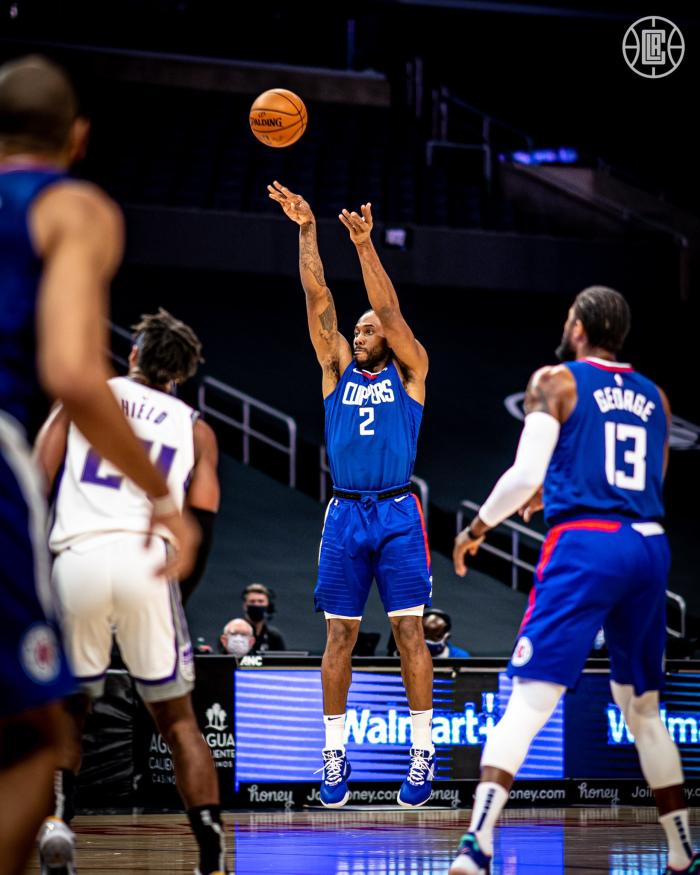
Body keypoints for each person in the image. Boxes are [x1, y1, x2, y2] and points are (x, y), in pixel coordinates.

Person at [0, 55, 198, 875]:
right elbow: (72, 376)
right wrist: (162, 497)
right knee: (39, 732)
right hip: (112, 544)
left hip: (80, 555)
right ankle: (210, 847)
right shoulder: (72, 207)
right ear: (77, 138)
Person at [449, 286, 698, 875]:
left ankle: (477, 843)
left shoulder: (556, 380)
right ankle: (682, 850)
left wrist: (476, 529)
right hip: (648, 544)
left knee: (529, 697)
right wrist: (559, 486)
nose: (565, 327)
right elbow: (645, 481)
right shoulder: (655, 397)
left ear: (580, 327)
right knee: (643, 709)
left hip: (586, 544)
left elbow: (523, 473)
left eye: (568, 319)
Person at [35, 309, 225, 875]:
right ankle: (212, 853)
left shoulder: (87, 396)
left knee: (69, 709)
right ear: (182, 374)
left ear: (134, 353)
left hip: (79, 555)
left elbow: (36, 474)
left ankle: (58, 822)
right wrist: (176, 601)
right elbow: (203, 523)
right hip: (150, 562)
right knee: (179, 722)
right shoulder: (197, 429)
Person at [269, 180, 434, 809]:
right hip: (344, 512)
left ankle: (422, 753)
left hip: (397, 511)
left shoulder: (411, 371)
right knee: (339, 636)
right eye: (357, 329)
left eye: (367, 329)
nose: (359, 334)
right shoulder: (336, 368)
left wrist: (365, 246)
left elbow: (390, 313)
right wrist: (308, 230)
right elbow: (318, 301)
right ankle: (333, 755)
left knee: (409, 633)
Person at [242, 583, 286, 652]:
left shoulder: (274, 637)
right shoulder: (235, 635)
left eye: (260, 601)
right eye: (252, 601)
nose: (256, 605)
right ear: (245, 606)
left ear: (268, 605)